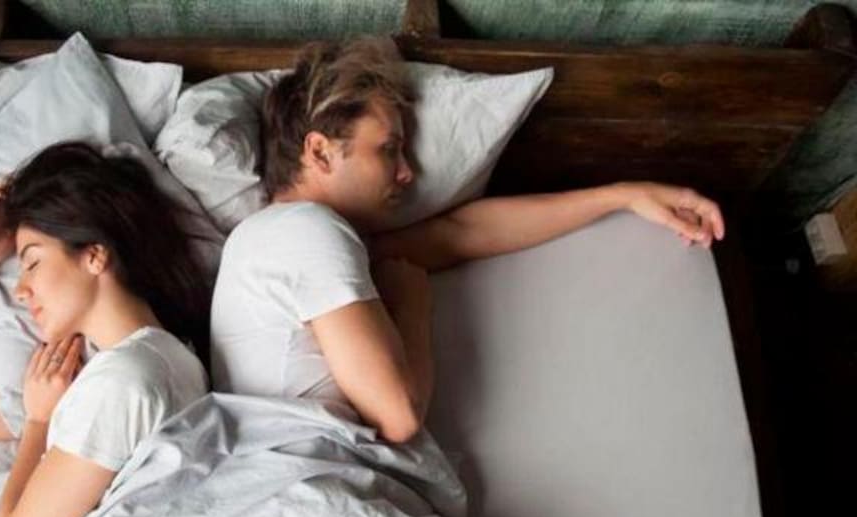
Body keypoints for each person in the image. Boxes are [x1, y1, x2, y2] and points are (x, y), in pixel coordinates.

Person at [210, 38, 726, 442]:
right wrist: (412, 305)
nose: (407, 172)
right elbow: (398, 416)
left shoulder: (287, 239)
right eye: (388, 149)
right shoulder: (304, 231)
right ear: (320, 152)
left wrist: (623, 196)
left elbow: (462, 233)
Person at [0, 142, 211, 517]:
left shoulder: (122, 384)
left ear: (94, 255)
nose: (21, 290)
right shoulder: (162, 358)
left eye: (33, 263)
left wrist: (38, 424)